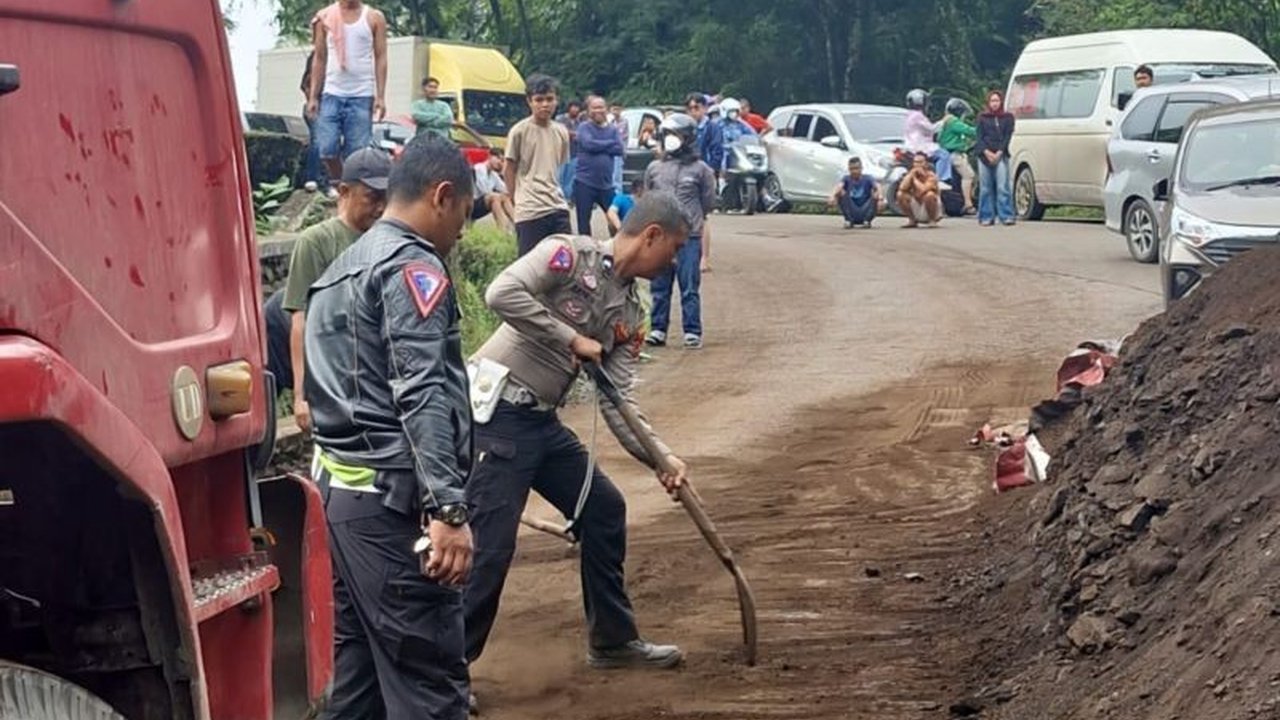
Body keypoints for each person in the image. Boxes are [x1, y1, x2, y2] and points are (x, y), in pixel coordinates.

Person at [463, 191, 692, 682]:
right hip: (495, 416)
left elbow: (618, 400)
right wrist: (570, 338)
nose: (674, 261)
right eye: (674, 248)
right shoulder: (566, 255)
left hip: (539, 423)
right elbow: (500, 293)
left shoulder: (630, 316)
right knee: (489, 547)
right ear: (651, 236)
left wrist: (662, 459)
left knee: (603, 510)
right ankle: (445, 674)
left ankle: (612, 640)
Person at [305, 135, 475, 719]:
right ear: (442, 196)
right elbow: (420, 389)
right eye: (464, 214)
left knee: (358, 689)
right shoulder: (412, 267)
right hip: (391, 507)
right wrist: (447, 509)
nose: (462, 232)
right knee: (428, 685)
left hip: (342, 502)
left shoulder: (340, 269)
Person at [282, 147, 391, 432]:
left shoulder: (390, 243)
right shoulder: (317, 242)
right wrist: (301, 395)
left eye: (386, 198)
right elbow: (301, 320)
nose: (380, 208)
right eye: (372, 197)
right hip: (332, 379)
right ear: (344, 192)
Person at [644, 113, 716, 350]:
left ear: (688, 138)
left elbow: (707, 202)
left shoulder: (701, 170)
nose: (671, 139)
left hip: (689, 236)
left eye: (676, 134)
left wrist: (693, 221)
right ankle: (658, 329)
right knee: (659, 286)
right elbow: (649, 198)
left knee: (689, 286)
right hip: (661, 237)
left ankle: (692, 331)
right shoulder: (654, 168)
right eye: (667, 134)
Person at [306, 0, 389, 189]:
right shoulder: (324, 17)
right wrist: (313, 96)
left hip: (362, 95)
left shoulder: (374, 17)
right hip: (332, 92)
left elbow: (381, 57)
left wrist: (381, 96)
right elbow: (319, 58)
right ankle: (343, 183)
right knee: (326, 148)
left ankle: (349, 190)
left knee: (357, 154)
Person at [506, 74, 572, 257]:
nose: (545, 105)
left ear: (556, 100)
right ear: (529, 102)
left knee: (565, 262)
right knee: (529, 265)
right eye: (539, 100)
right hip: (530, 210)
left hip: (557, 206)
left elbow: (559, 166)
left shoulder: (562, 132)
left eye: (549, 99)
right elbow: (509, 168)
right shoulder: (519, 131)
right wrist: (515, 200)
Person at [574, 95, 624, 237]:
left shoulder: (613, 129)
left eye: (601, 107)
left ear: (606, 109)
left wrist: (599, 145)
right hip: (585, 182)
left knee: (616, 219)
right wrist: (610, 143)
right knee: (584, 223)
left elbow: (620, 149)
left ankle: (616, 247)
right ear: (588, 110)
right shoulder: (584, 127)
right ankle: (587, 249)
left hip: (606, 185)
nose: (598, 110)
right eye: (594, 108)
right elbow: (588, 144)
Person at [975, 89, 1017, 226]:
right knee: (985, 188)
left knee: (1002, 186)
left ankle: (1006, 215)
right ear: (988, 102)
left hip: (1001, 154)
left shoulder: (1008, 118)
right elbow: (979, 138)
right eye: (992, 101)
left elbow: (1007, 137)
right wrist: (986, 152)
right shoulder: (982, 118)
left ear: (1001, 102)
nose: (994, 104)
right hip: (984, 155)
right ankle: (986, 216)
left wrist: (999, 152)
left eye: (997, 101)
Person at [938, 98, 977, 215]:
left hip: (946, 154)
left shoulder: (945, 121)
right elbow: (969, 131)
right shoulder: (953, 121)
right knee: (969, 175)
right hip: (954, 154)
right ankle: (968, 204)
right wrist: (983, 130)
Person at [903, 88, 951, 182]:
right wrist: (944, 121)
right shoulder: (918, 116)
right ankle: (940, 180)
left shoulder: (910, 115)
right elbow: (931, 129)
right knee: (944, 155)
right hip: (920, 146)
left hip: (912, 144)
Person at [300, 47, 329, 190]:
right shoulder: (311, 77)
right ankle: (312, 178)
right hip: (315, 110)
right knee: (317, 141)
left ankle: (325, 181)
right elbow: (305, 87)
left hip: (326, 110)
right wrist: (313, 101)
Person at [828, 157, 882, 229]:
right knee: (840, 192)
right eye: (851, 169)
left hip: (865, 209)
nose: (854, 171)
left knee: (876, 194)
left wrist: (880, 199)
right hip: (851, 209)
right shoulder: (846, 178)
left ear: (861, 168)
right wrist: (832, 196)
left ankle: (867, 221)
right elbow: (839, 186)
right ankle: (848, 220)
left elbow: (878, 186)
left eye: (856, 168)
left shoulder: (868, 178)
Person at [473, 148, 515, 233]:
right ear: (490, 157)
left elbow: (506, 190)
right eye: (498, 158)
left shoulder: (493, 175)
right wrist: (499, 195)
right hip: (472, 204)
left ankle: (517, 225)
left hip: (484, 202)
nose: (500, 162)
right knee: (495, 197)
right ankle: (503, 230)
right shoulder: (479, 168)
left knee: (505, 197)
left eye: (502, 161)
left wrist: (505, 173)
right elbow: (484, 190)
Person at [895, 152, 942, 228]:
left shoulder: (931, 175)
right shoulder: (911, 173)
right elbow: (902, 188)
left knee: (929, 195)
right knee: (900, 194)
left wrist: (914, 179)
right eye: (916, 162)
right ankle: (912, 220)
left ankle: (932, 220)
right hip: (916, 204)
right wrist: (911, 175)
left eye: (920, 162)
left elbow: (923, 190)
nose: (918, 165)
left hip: (930, 206)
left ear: (926, 164)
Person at [685, 93, 725, 181]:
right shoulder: (684, 128)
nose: (693, 112)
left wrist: (711, 169)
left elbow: (717, 151)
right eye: (690, 109)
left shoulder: (713, 128)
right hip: (686, 172)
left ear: (705, 108)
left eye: (696, 108)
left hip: (706, 173)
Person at [412, 76, 459, 140]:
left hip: (441, 141)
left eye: (435, 87)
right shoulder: (417, 105)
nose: (433, 90)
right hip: (423, 141)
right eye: (430, 87)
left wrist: (427, 123)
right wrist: (437, 116)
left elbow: (448, 118)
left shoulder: (444, 106)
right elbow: (417, 116)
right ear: (424, 88)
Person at [556, 99, 584, 201]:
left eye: (577, 107)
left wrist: (572, 134)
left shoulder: (580, 122)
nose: (575, 109)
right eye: (573, 107)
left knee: (570, 178)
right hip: (561, 153)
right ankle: (557, 198)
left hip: (575, 153)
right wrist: (573, 134)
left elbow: (582, 135)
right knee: (559, 177)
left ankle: (566, 199)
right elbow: (561, 132)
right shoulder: (560, 119)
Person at [610, 102, 629, 193]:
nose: (615, 111)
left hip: (619, 150)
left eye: (617, 109)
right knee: (612, 175)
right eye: (614, 109)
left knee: (617, 175)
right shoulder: (611, 122)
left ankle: (618, 193)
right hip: (611, 151)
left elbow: (620, 135)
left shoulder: (624, 122)